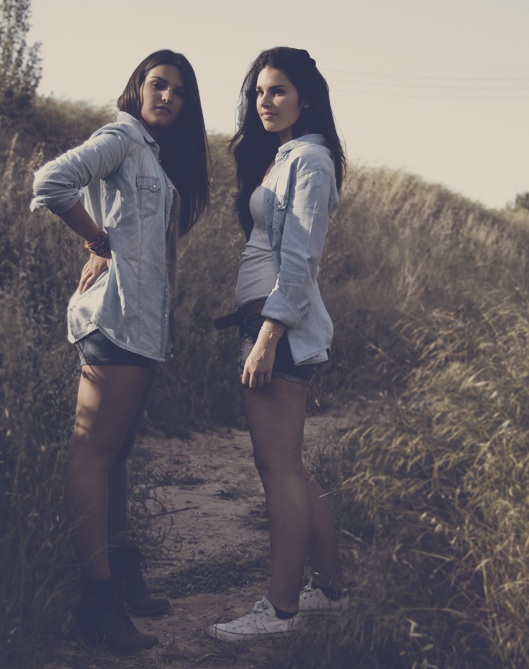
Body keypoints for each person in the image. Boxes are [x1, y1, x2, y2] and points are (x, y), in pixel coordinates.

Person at [30, 49, 209, 652]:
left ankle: (124, 570)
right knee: (93, 455)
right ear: (137, 88)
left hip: (142, 327)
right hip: (115, 323)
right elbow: (51, 182)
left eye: (179, 91)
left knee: (117, 454)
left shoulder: (152, 154)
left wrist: (109, 242)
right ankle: (96, 601)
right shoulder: (122, 137)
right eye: (158, 84)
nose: (167, 96)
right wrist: (95, 239)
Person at [208, 47, 348, 642]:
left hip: (278, 332)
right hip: (268, 326)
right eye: (259, 92)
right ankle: (331, 592)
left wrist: (267, 334)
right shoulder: (284, 157)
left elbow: (301, 260)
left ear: (305, 99)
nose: (264, 102)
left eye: (278, 91)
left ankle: (281, 609)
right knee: (290, 466)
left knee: (278, 469)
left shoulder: (309, 160)